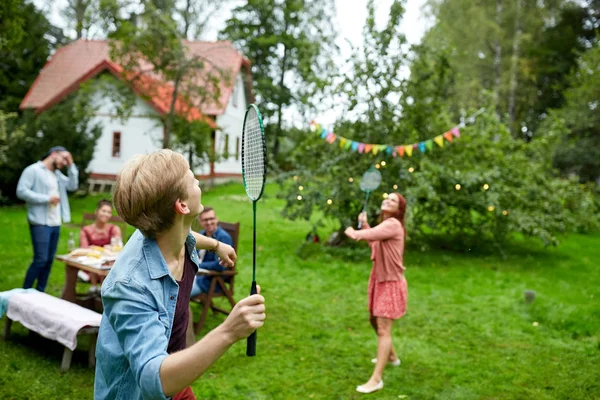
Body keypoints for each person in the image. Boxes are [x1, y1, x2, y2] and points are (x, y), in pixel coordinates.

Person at [94, 149, 266, 400]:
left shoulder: (163, 233)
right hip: (146, 389)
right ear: (182, 205)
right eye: (191, 177)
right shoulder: (129, 287)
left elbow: (187, 236)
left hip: (175, 376)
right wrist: (229, 331)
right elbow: (153, 379)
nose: (197, 180)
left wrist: (217, 245)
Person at [344, 193, 408, 394]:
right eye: (386, 198)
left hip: (390, 283)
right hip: (379, 280)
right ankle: (391, 357)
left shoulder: (393, 224)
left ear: (398, 209)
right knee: (374, 320)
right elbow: (374, 240)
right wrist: (365, 225)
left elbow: (363, 237)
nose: (387, 201)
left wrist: (354, 231)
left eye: (392, 201)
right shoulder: (385, 226)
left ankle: (376, 380)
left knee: (383, 329)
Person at [16, 146, 78, 292]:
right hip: (39, 222)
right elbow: (21, 191)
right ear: (54, 154)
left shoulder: (57, 174)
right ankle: (23, 293)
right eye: (64, 158)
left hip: (55, 222)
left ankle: (40, 293)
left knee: (49, 261)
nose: (64, 163)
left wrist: (71, 165)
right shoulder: (33, 170)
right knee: (40, 260)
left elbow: (72, 185)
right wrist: (46, 199)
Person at [78, 199, 123, 289]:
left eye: (109, 212)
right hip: (91, 266)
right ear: (96, 212)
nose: (106, 214)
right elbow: (84, 249)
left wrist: (94, 248)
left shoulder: (114, 229)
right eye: (103, 211)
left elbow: (118, 247)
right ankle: (96, 289)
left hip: (109, 266)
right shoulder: (86, 230)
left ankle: (100, 290)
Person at [190, 207, 233, 297]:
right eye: (205, 220)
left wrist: (197, 265)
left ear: (216, 219)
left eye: (211, 219)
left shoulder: (223, 238)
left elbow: (220, 265)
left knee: (179, 295)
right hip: (195, 275)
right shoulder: (202, 234)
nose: (209, 222)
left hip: (210, 281)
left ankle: (184, 311)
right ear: (200, 222)